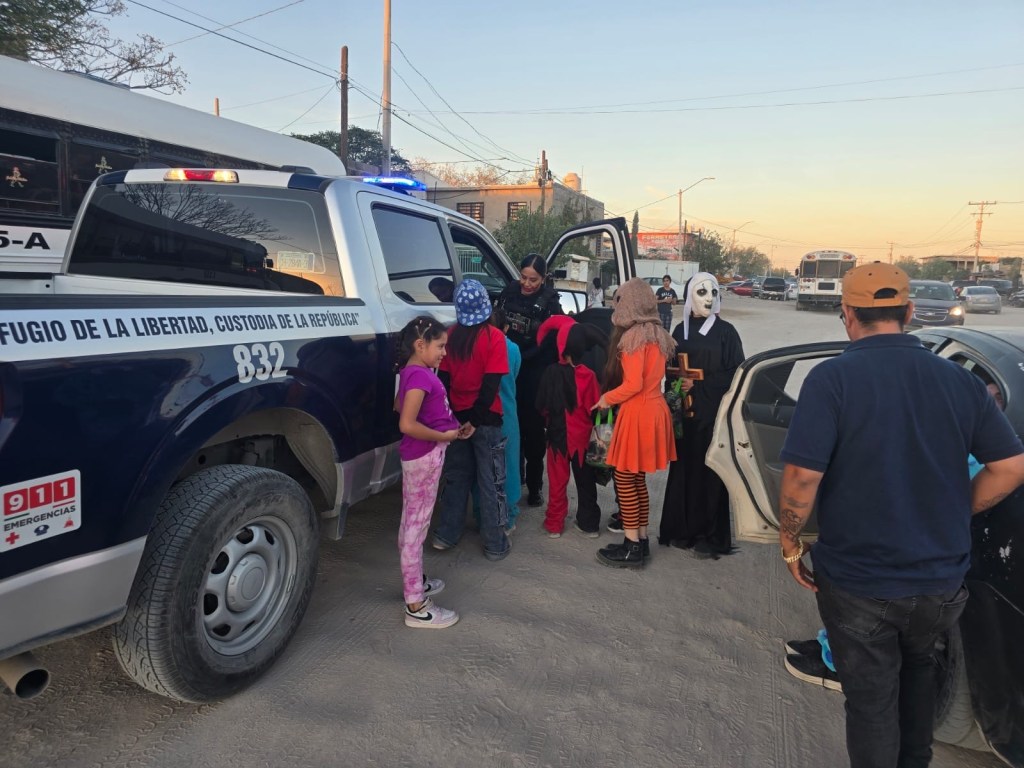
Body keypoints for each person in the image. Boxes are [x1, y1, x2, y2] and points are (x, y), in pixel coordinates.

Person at [777, 262, 1024, 768]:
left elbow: (801, 479)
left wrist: (790, 542)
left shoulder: (831, 380)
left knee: (871, 703)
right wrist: (957, 509)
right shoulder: (959, 381)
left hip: (859, 583)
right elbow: (1011, 467)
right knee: (918, 677)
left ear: (847, 314)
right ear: (909, 312)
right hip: (939, 583)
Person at [784, 373, 1010, 691]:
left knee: (869, 623)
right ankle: (831, 648)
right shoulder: (948, 435)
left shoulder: (976, 452)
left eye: (995, 400)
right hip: (906, 553)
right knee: (857, 619)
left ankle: (843, 669)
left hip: (906, 561)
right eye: (985, 396)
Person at [659, 272, 745, 559]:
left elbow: (737, 374)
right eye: (702, 292)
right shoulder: (679, 331)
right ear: (689, 296)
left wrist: (700, 383)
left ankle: (709, 536)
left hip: (712, 417)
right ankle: (682, 530)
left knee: (710, 474)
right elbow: (670, 371)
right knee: (684, 471)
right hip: (686, 416)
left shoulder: (726, 333)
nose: (709, 298)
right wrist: (676, 389)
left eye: (714, 292)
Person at [593, 278, 677, 568]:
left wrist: (606, 399)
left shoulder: (632, 338)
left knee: (625, 478)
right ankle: (640, 540)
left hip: (638, 413)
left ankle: (631, 547)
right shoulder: (658, 334)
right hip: (655, 409)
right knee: (637, 479)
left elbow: (632, 385)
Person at [394, 315, 466, 629]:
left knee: (412, 521)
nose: (444, 353)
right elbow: (406, 423)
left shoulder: (412, 372)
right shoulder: (420, 376)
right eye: (440, 346)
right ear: (420, 345)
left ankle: (415, 581)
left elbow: (400, 406)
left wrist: (448, 426)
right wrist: (442, 434)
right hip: (425, 457)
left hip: (422, 455)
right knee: (417, 526)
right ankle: (416, 606)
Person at [433, 279, 512, 561]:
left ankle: (446, 535)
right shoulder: (494, 338)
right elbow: (491, 386)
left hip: (456, 417)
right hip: (486, 420)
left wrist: (453, 418)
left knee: (456, 477)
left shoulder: (450, 335)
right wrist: (476, 422)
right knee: (491, 482)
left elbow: (443, 381)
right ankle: (495, 544)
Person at [495, 254, 564, 508]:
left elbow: (552, 343)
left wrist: (523, 356)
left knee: (533, 432)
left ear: (543, 279)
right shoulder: (509, 292)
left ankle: (535, 486)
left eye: (533, 280)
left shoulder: (550, 303)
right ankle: (517, 476)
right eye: (523, 277)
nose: (526, 283)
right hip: (507, 370)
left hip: (535, 374)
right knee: (509, 427)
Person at [535, 316, 606, 538]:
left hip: (557, 438)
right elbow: (595, 408)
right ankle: (589, 524)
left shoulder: (550, 373)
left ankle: (554, 524)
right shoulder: (588, 375)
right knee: (586, 482)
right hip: (582, 438)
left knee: (557, 482)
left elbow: (542, 407)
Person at [471, 308, 522, 533]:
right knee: (508, 466)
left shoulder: (474, 344)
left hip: (479, 415)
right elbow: (514, 375)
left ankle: (481, 515)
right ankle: (507, 517)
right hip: (507, 414)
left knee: (481, 468)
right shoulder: (512, 348)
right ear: (506, 327)